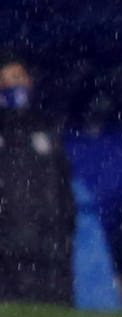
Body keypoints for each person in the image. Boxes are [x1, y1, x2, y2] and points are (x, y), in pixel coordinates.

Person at [0, 52, 76, 304]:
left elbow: (63, 184)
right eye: (4, 80)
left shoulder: (46, 126)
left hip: (50, 244)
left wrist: (65, 230)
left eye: (17, 77)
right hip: (7, 250)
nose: (12, 86)